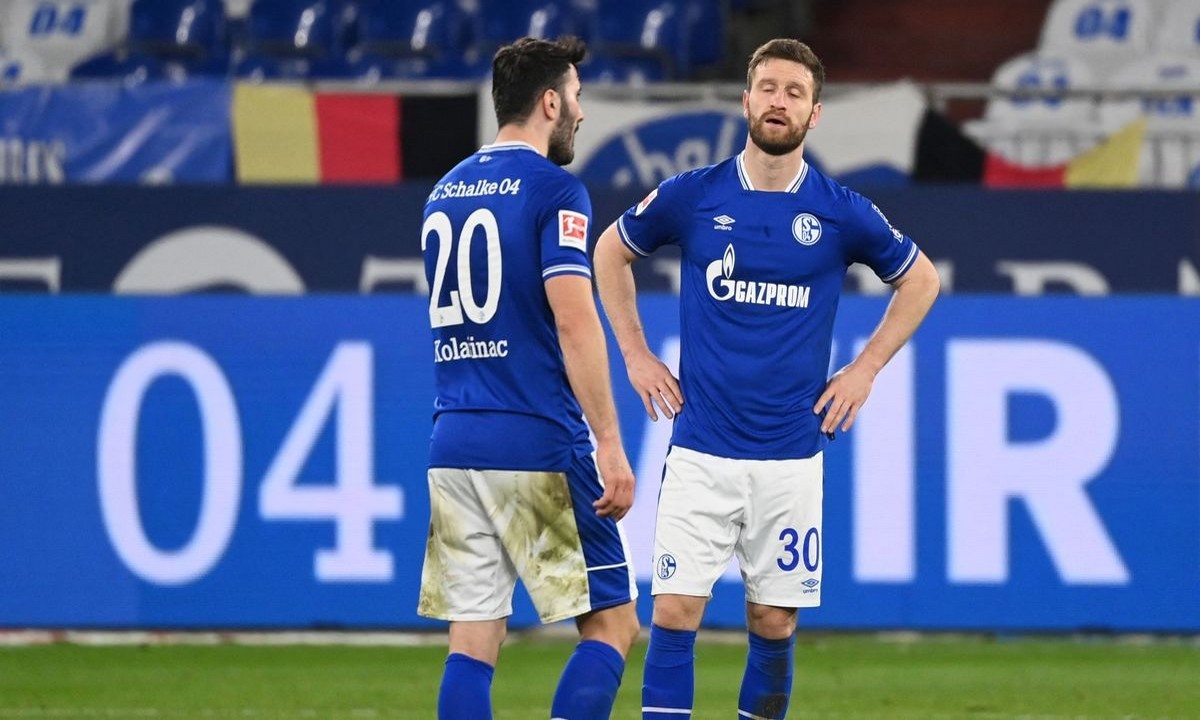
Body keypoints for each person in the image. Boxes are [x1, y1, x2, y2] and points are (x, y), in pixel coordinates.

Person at [593, 39, 941, 719]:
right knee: (674, 611)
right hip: (701, 450)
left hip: (790, 457)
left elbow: (920, 280)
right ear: (745, 100)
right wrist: (635, 353)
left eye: (795, 93)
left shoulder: (841, 210)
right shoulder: (695, 194)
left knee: (774, 622)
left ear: (814, 114)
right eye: (769, 88)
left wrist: (865, 369)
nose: (780, 102)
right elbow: (610, 251)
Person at [418, 36, 640, 720]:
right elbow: (575, 322)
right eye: (576, 96)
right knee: (612, 624)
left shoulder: (443, 192)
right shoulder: (554, 190)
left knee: (472, 642)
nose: (582, 111)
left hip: (455, 438)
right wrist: (609, 442)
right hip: (534, 437)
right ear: (549, 102)